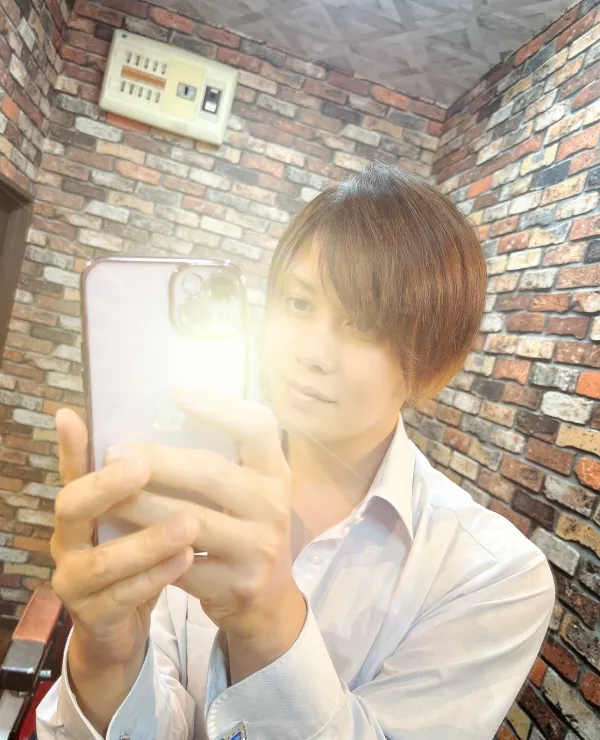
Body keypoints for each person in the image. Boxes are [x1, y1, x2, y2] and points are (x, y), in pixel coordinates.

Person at [37, 162, 555, 740]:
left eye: (364, 326)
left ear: (433, 362)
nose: (311, 352)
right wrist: (106, 658)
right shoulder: (194, 484)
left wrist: (266, 618)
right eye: (300, 305)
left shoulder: (492, 573)